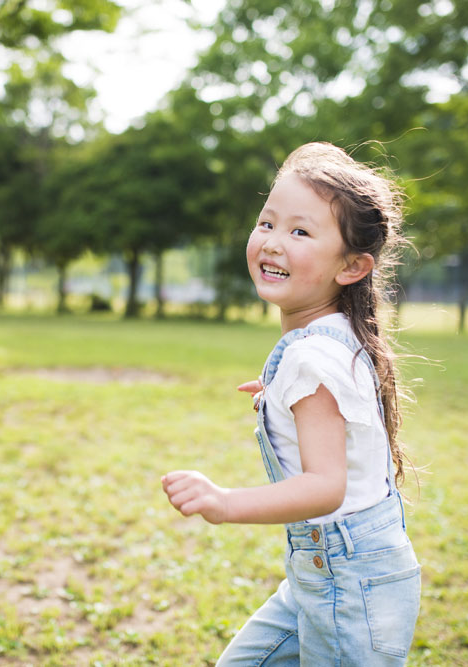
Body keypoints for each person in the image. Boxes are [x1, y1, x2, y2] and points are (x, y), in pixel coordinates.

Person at [162, 141, 421, 665]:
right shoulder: (337, 335)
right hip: (329, 576)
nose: (274, 242)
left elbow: (326, 487)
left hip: (348, 584)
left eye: (300, 232)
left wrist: (225, 503)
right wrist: (277, 393)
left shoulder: (314, 357)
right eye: (267, 223)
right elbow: (336, 409)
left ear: (351, 267)